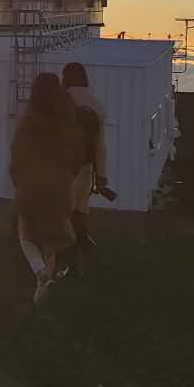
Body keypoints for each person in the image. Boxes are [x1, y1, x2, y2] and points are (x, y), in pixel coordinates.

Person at [11, 72, 84, 307]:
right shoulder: (67, 122)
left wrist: (18, 180)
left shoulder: (28, 122)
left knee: (26, 235)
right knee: (51, 239)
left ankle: (39, 272)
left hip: (30, 185)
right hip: (59, 186)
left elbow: (17, 157)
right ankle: (43, 289)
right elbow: (76, 155)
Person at [60, 62, 114, 272]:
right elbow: (100, 146)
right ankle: (81, 252)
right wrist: (100, 177)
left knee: (63, 215)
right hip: (85, 169)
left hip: (63, 168)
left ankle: (70, 256)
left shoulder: (61, 100)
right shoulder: (96, 104)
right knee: (78, 212)